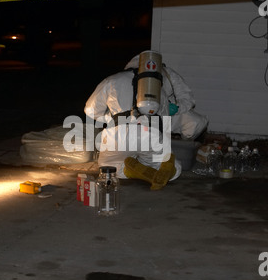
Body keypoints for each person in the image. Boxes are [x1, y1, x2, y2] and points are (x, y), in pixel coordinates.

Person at [84, 51, 208, 190]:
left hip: (118, 136)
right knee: (171, 168)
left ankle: (129, 171)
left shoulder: (113, 80)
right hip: (151, 135)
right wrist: (174, 110)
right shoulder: (161, 85)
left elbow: (90, 110)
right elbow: (182, 105)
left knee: (110, 168)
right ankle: (167, 168)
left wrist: (111, 117)